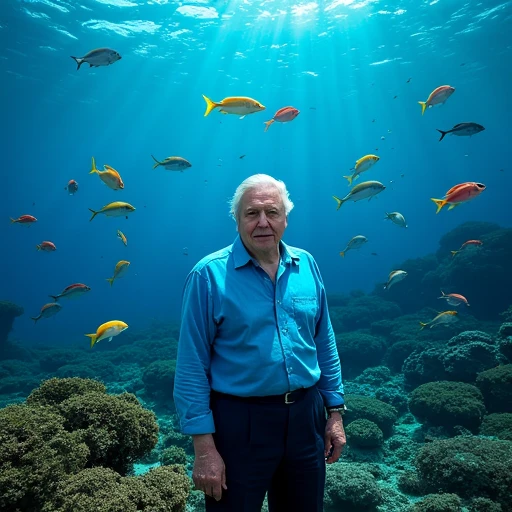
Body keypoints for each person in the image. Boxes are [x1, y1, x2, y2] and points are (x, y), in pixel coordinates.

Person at [173, 174, 345, 512]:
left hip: (305, 419)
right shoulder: (207, 275)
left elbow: (324, 341)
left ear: (286, 218)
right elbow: (192, 365)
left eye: (272, 212)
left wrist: (335, 412)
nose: (263, 222)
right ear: (236, 220)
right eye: (252, 213)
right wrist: (204, 450)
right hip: (239, 423)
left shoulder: (307, 264)